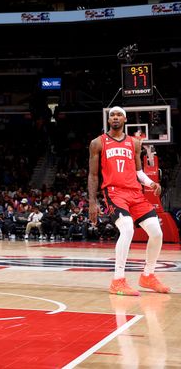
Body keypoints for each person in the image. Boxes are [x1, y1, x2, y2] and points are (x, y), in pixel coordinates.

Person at [89, 106, 170, 295]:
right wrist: (93, 202)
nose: (115, 117)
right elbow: (93, 175)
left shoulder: (134, 143)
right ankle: (118, 280)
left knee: (157, 233)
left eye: (119, 115)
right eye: (112, 115)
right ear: (108, 121)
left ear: (125, 120)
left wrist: (151, 183)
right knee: (127, 228)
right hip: (115, 193)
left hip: (135, 193)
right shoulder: (98, 143)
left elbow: (138, 172)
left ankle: (148, 276)